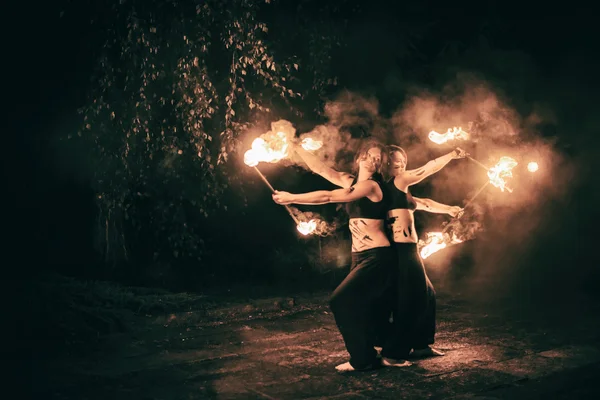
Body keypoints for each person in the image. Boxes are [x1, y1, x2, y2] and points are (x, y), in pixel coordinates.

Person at [273, 140, 400, 372]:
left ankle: (362, 359)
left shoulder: (372, 186)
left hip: (377, 256)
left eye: (378, 159)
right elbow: (321, 169)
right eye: (370, 155)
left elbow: (329, 197)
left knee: (340, 301)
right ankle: (383, 351)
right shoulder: (349, 180)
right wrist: (296, 146)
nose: (374, 160)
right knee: (364, 306)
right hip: (359, 256)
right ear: (360, 157)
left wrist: (291, 197)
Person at [379, 145, 467, 366]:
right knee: (413, 299)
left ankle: (421, 345)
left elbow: (425, 204)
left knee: (427, 294)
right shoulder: (397, 183)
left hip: (409, 249)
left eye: (402, 160)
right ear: (384, 164)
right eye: (393, 161)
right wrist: (452, 154)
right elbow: (426, 170)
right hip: (402, 250)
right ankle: (393, 352)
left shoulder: (398, 189)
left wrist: (449, 209)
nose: (399, 164)